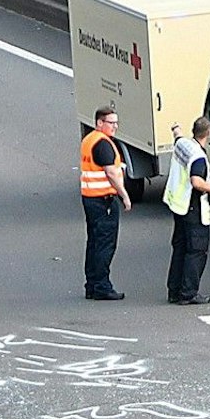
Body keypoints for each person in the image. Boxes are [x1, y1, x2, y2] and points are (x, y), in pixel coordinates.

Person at [164, 117, 210, 305]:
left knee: (180, 248)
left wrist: (176, 127)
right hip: (193, 207)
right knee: (196, 251)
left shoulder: (183, 144)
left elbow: (177, 136)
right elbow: (196, 182)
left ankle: (174, 290)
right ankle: (188, 293)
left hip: (178, 205)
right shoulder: (198, 158)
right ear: (208, 133)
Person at [80, 106, 130, 301]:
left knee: (93, 242)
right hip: (103, 200)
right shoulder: (102, 143)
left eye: (116, 122)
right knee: (104, 244)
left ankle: (92, 284)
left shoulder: (89, 140)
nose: (115, 126)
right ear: (100, 123)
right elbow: (110, 172)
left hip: (90, 198)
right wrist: (124, 195)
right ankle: (101, 285)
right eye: (111, 123)